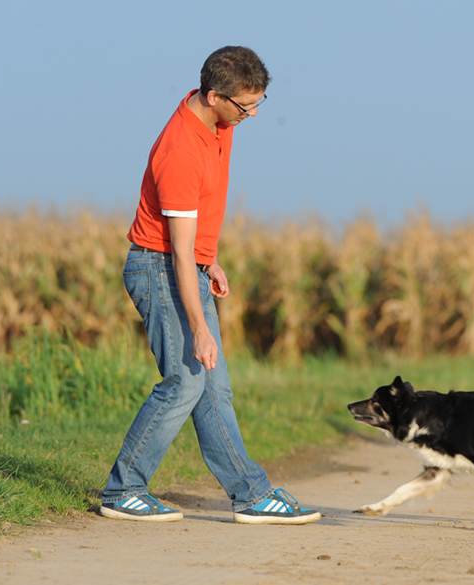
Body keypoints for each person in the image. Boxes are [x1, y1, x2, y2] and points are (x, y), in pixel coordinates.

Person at [100, 46, 320, 524]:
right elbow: (175, 251)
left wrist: (210, 257)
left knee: (214, 390)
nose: (254, 114)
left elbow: (194, 235)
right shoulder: (181, 150)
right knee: (185, 381)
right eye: (246, 105)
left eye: (260, 102)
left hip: (184, 264)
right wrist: (199, 325)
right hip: (159, 269)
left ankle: (251, 495)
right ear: (215, 95)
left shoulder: (220, 125)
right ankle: (122, 490)